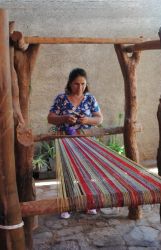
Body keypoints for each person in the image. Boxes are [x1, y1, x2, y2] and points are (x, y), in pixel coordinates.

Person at [48, 68, 103, 218]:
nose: (80, 87)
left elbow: (99, 118)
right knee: (67, 171)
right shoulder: (61, 98)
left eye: (83, 84)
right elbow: (50, 118)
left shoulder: (90, 98)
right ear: (70, 84)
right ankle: (67, 205)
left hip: (86, 141)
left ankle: (88, 202)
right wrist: (64, 118)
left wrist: (88, 120)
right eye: (76, 84)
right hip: (66, 140)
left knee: (86, 170)